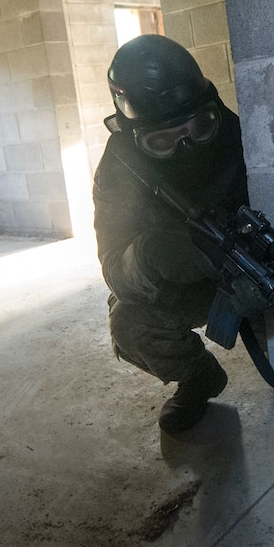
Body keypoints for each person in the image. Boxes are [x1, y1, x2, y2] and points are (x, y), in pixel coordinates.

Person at [91, 34, 254, 433]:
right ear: (135, 135)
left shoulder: (235, 134)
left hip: (251, 272)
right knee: (130, 323)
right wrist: (148, 254)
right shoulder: (119, 172)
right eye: (163, 140)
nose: (188, 146)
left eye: (199, 127)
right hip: (184, 283)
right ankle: (199, 377)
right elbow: (115, 269)